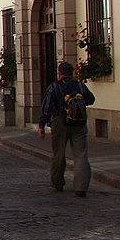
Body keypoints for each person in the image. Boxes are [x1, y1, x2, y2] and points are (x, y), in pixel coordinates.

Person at [38, 61, 96, 197]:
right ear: (72, 73)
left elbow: (46, 106)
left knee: (59, 154)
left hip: (60, 122)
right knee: (81, 154)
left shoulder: (54, 87)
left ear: (59, 73)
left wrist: (41, 124)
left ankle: (57, 183)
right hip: (79, 123)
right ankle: (81, 187)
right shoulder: (80, 85)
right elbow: (91, 99)